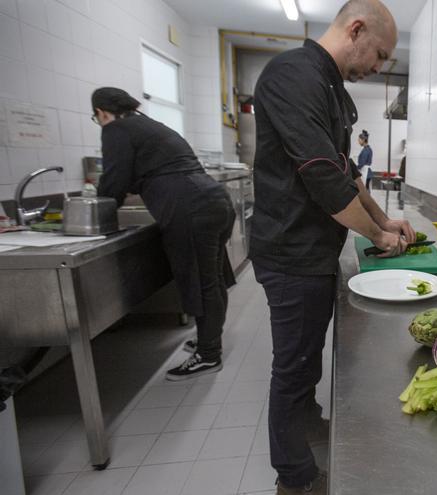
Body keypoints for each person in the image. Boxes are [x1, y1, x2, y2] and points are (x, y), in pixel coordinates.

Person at [248, 1, 413, 493]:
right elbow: (322, 174)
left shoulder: (327, 86)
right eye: (380, 55)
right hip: (290, 251)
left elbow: (346, 171)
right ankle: (294, 477)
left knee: (308, 358)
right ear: (355, 28)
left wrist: (385, 218)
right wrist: (377, 236)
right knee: (293, 366)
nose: (378, 67)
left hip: (313, 252)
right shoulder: (291, 76)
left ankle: (308, 424)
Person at [91, 87, 236, 381]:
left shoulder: (116, 129)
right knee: (211, 279)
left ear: (102, 113)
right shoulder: (149, 124)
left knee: (201, 281)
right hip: (213, 201)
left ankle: (208, 354)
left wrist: (96, 212)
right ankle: (209, 339)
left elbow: (114, 181)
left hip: (190, 208)